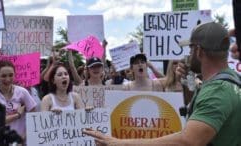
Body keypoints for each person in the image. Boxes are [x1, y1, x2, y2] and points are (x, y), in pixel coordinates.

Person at [83, 22, 241, 146]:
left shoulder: (217, 91)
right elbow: (194, 109)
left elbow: (188, 142)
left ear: (199, 51)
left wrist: (117, 143)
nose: (188, 54)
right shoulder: (228, 80)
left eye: (191, 49)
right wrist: (187, 84)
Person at [0, 60, 37, 140]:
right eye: (3, 76)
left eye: (11, 75)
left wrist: (24, 137)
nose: (7, 79)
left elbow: (33, 116)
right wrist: (17, 115)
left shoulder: (22, 92)